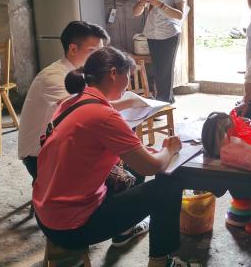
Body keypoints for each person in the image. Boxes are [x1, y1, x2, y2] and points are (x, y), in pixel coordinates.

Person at [33, 47, 198, 267]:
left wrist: (131, 109)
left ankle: (125, 232)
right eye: (127, 76)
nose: (128, 84)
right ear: (113, 73)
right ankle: (160, 262)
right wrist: (169, 149)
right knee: (167, 186)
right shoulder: (104, 116)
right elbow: (152, 167)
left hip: (46, 211)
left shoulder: (71, 101)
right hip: (72, 225)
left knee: (131, 165)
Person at [18, 21, 111, 181]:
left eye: (101, 52)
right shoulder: (53, 76)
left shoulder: (82, 73)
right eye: (93, 51)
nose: (99, 58)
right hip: (39, 155)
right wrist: (131, 103)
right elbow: (83, 109)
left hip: (64, 143)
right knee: (115, 172)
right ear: (73, 49)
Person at [132, 0, 187, 104]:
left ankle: (164, 102)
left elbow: (179, 14)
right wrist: (141, 3)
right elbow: (136, 12)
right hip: (151, 33)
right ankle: (165, 100)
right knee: (157, 68)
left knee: (166, 69)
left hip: (169, 33)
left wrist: (160, 4)